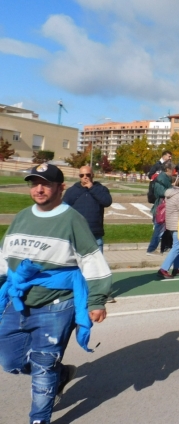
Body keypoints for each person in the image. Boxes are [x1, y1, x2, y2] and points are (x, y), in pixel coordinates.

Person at [0, 164, 112, 424]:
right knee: (10, 361)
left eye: (46, 183)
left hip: (57, 305)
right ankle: (60, 374)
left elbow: (92, 260)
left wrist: (97, 300)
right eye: (34, 183)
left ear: (60, 187)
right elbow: (5, 256)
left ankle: (39, 418)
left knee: (42, 366)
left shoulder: (72, 219)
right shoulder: (22, 216)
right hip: (18, 301)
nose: (39, 189)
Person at [62, 165, 113, 254]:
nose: (85, 177)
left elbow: (107, 202)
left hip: (95, 235)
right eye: (82, 175)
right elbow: (63, 208)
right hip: (77, 235)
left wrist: (91, 188)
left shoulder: (101, 189)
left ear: (92, 175)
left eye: (87, 175)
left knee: (97, 266)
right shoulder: (72, 190)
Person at [157, 176, 179, 279]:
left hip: (171, 223)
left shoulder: (170, 193)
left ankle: (178, 267)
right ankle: (164, 268)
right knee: (177, 247)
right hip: (178, 224)